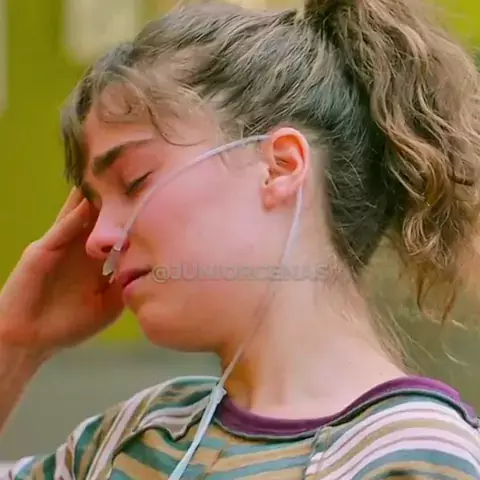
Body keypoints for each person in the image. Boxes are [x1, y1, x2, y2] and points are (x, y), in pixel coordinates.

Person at [2, 0, 480, 478]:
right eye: (95, 204)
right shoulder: (131, 437)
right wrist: (15, 340)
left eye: (134, 182)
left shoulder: (414, 454)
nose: (98, 238)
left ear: (280, 167)